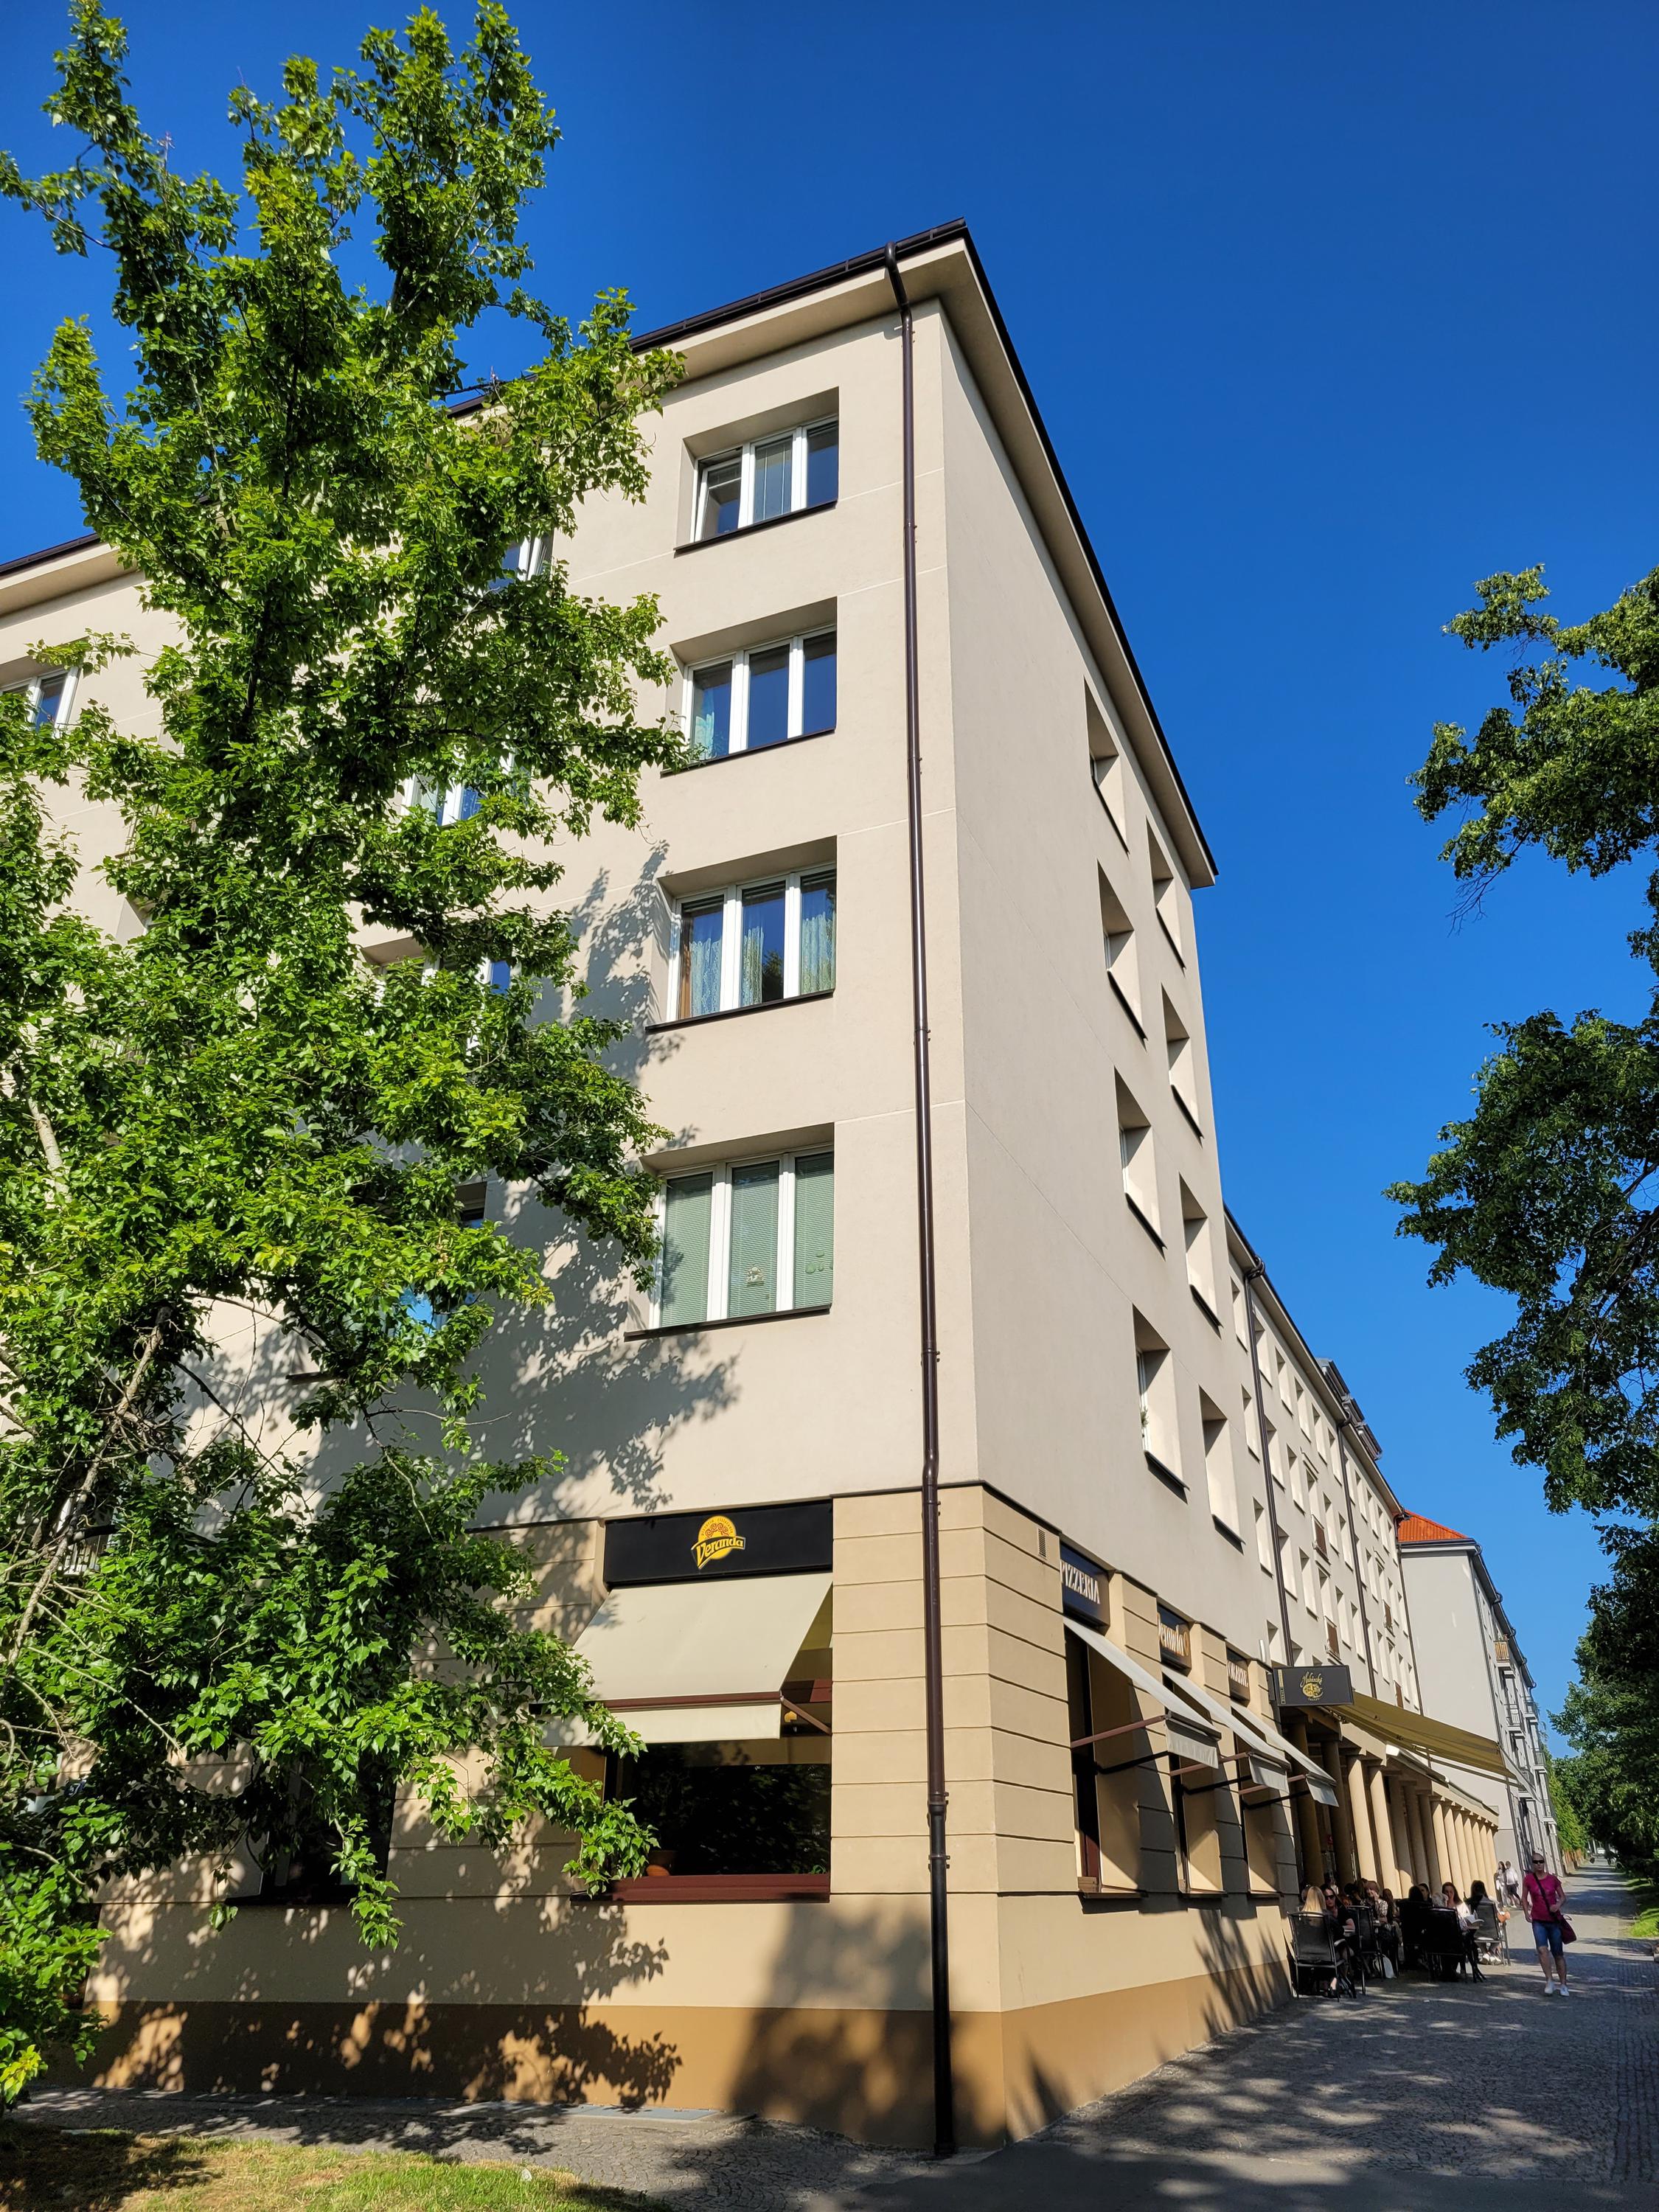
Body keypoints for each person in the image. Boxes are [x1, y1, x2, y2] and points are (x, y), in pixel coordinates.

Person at [1521, 1851, 1571, 1995]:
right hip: (1538, 1921)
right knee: (1542, 1950)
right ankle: (1549, 1980)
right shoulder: (1529, 1880)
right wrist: (1526, 1912)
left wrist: (1557, 1905)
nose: (1538, 1864)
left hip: (1554, 1921)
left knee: (1558, 1954)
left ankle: (1563, 1984)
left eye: (1541, 1862)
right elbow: (1524, 1898)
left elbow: (1562, 1897)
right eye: (1536, 1862)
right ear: (1532, 1864)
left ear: (1544, 1863)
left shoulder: (1553, 1879)